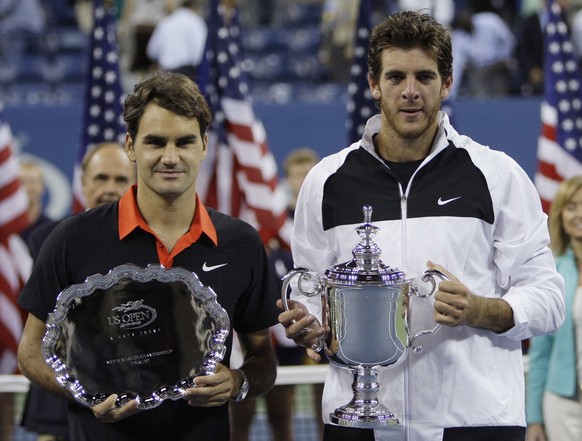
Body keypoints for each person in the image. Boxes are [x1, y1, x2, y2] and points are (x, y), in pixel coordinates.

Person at [277, 10, 565, 441]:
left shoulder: (496, 174)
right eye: (395, 77)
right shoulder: (325, 181)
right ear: (374, 84)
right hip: (361, 419)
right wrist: (311, 327)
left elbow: (548, 297)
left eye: (425, 77)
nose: (410, 92)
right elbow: (310, 289)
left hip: (475, 420)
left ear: (446, 83)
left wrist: (483, 309)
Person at [17, 71, 279, 441]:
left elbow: (263, 360)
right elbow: (29, 353)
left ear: (203, 146)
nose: (170, 158)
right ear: (130, 146)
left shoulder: (240, 243)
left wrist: (238, 381)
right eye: (155, 142)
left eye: (184, 142)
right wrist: (84, 394)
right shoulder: (71, 239)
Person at [20, 141, 136, 441]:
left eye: (120, 179)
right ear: (82, 183)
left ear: (135, 183)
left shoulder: (149, 245)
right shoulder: (47, 239)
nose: (110, 188)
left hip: (131, 403)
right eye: (101, 178)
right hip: (57, 397)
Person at [229, 147, 322, 441]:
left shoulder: (326, 226)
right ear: (287, 180)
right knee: (277, 413)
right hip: (279, 334)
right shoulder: (272, 228)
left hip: (321, 330)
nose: (303, 179)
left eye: (309, 172)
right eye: (297, 174)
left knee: (324, 412)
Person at [525, 175, 582, 441]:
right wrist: (534, 418)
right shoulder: (553, 271)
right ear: (560, 214)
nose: (579, 214)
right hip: (562, 402)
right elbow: (541, 352)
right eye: (571, 207)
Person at [146, 0, 207, 81]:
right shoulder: (196, 21)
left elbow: (152, 51)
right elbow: (200, 54)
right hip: (186, 76)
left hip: (166, 74)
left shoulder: (165, 22)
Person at [18, 160, 52, 244]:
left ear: (42, 186)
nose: (28, 188)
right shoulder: (6, 229)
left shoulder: (52, 230)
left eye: (33, 182)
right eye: (22, 183)